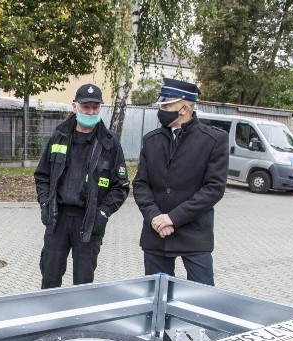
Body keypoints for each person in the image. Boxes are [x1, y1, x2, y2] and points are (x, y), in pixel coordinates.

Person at [132, 78, 228, 285]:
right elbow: (141, 184)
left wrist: (173, 218)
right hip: (156, 234)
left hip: (194, 236)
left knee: (201, 300)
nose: (162, 110)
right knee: (157, 300)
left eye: (167, 105)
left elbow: (214, 189)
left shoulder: (213, 140)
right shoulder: (151, 140)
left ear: (184, 108)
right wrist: (156, 217)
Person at [34, 83, 130, 289]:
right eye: (86, 107)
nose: (91, 112)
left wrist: (102, 213)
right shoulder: (59, 135)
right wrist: (44, 203)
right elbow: (42, 175)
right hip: (57, 219)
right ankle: (50, 319)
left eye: (95, 108)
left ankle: (80, 320)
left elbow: (120, 187)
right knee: (50, 277)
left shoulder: (110, 143)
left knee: (83, 282)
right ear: (74, 106)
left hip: (89, 221)